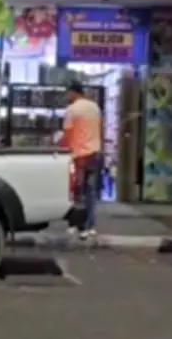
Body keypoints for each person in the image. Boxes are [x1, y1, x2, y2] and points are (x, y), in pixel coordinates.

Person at [59, 81, 102, 240]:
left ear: (73, 92)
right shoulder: (95, 108)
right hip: (95, 153)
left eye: (67, 93)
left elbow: (67, 134)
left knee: (78, 193)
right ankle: (91, 226)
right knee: (91, 193)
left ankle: (78, 226)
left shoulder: (72, 110)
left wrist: (61, 145)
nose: (66, 97)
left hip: (79, 155)